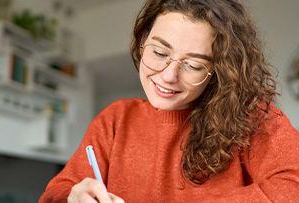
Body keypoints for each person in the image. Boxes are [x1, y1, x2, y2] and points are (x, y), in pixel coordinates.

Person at [39, 0, 299, 202]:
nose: (168, 75)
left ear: (217, 72)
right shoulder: (115, 120)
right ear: (142, 41)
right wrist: (72, 197)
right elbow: (55, 194)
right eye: (159, 52)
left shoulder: (253, 118)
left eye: (193, 65)